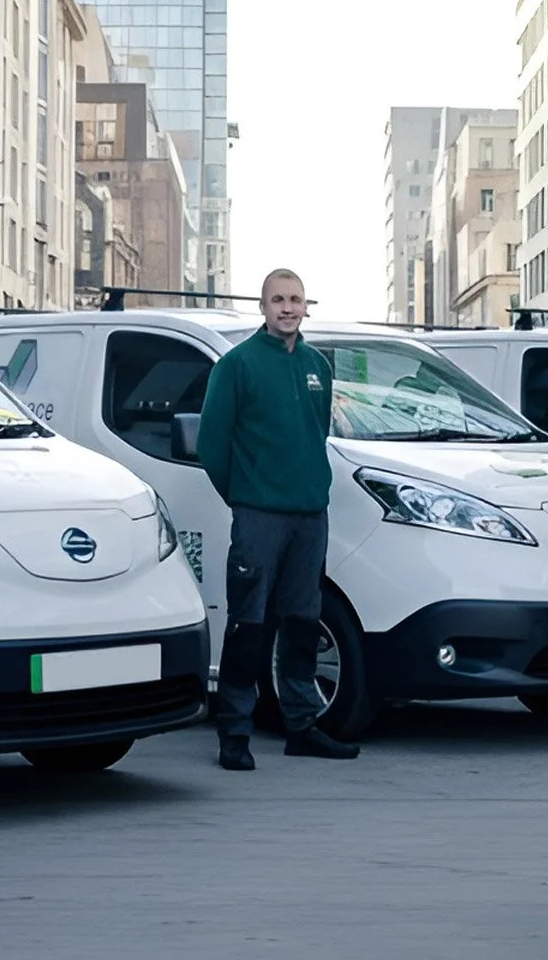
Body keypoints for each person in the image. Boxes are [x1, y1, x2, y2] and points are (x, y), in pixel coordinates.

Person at [198, 268, 359, 770]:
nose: (287, 308)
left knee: (302, 622)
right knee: (249, 625)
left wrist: (310, 490)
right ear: (262, 306)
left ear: (305, 306)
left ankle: (302, 725)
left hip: (310, 517)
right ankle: (235, 732)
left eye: (295, 300)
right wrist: (245, 497)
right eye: (277, 300)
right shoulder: (237, 365)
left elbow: (316, 435)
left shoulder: (317, 366)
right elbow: (211, 445)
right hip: (259, 516)